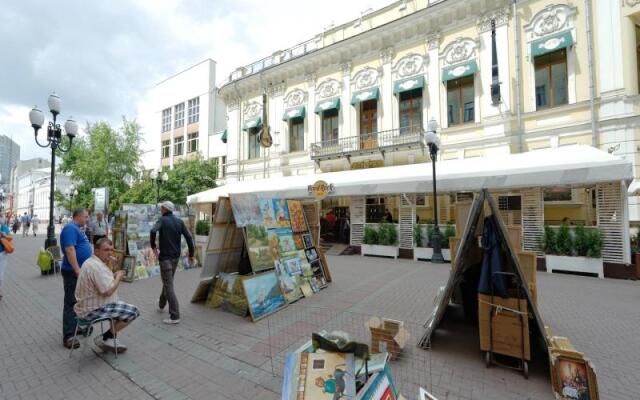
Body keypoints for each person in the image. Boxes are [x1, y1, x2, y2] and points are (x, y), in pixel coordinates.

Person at [74, 238, 139, 352]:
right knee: (133, 312)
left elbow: (105, 282)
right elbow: (108, 291)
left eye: (111, 250)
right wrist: (119, 276)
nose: (110, 253)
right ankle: (106, 337)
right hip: (92, 310)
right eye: (106, 250)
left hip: (89, 306)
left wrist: (112, 270)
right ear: (96, 251)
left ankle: (110, 338)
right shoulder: (95, 266)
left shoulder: (93, 262)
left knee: (120, 306)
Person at [150, 201, 194, 324]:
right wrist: (191, 254)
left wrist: (153, 246)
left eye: (161, 208)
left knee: (168, 285)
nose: (160, 209)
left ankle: (174, 315)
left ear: (164, 209)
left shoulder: (162, 220)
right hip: (175, 258)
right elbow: (189, 238)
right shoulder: (179, 221)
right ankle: (161, 304)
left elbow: (153, 231)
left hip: (165, 259)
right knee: (167, 281)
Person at [60, 208, 92, 349]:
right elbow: (69, 249)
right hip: (73, 272)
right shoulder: (70, 228)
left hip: (80, 272)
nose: (87, 219)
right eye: (85, 217)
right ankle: (69, 335)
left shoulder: (78, 229)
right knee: (71, 302)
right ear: (77, 216)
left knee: (79, 301)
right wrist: (77, 269)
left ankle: (76, 326)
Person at [0, 217, 12, 300]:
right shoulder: (4, 227)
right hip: (3, 252)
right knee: (1, 272)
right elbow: (10, 238)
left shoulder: (4, 227)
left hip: (2, 252)